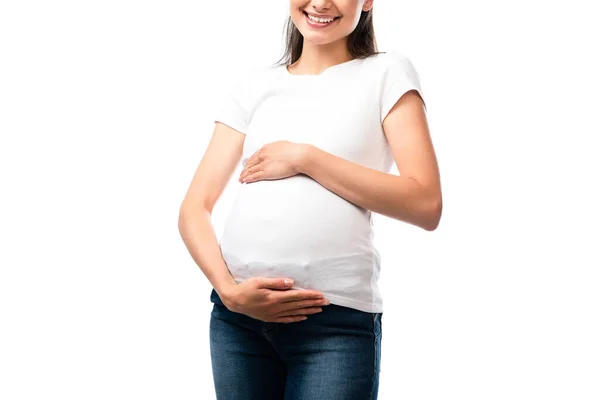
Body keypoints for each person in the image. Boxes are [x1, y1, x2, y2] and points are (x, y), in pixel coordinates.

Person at [178, 0, 442, 398]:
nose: (320, 3)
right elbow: (193, 208)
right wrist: (230, 294)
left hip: (333, 326)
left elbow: (426, 203)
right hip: (238, 323)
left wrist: (306, 158)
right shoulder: (254, 85)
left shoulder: (387, 73)